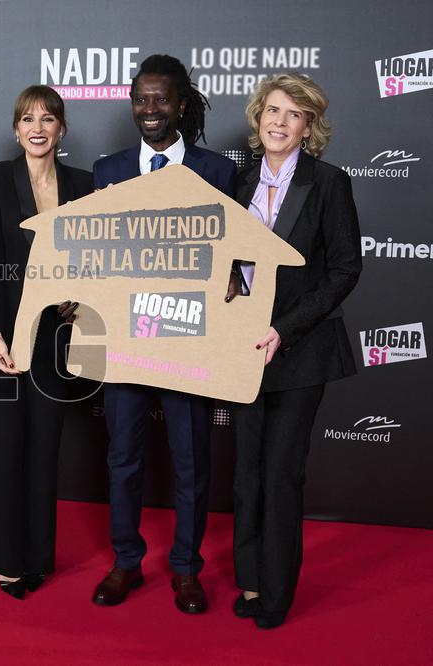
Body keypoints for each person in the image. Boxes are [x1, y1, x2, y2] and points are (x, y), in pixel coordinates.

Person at [90, 54, 236, 614]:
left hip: (189, 339)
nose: (150, 110)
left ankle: (185, 569)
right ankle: (126, 561)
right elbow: (93, 252)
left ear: (181, 104)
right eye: (141, 100)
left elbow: (238, 258)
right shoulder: (109, 170)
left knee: (190, 459)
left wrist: (232, 287)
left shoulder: (218, 171)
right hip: (126, 340)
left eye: (161, 100)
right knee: (123, 456)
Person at [229, 73, 361, 629]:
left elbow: (344, 269)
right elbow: (232, 264)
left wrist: (286, 327)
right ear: (258, 118)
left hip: (299, 351)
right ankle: (252, 580)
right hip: (241, 350)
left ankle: (277, 593)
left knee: (282, 472)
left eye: (294, 114)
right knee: (248, 473)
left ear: (309, 126)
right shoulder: (238, 185)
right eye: (273, 111)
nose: (280, 122)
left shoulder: (328, 183)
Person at [0, 85, 94, 599]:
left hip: (56, 337)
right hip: (6, 331)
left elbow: (97, 260)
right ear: (15, 129)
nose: (37, 128)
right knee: (6, 446)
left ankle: (37, 555)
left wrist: (81, 297)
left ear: (61, 128)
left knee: (43, 448)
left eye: (48, 119)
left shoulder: (84, 185)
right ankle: (7, 558)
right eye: (27, 119)